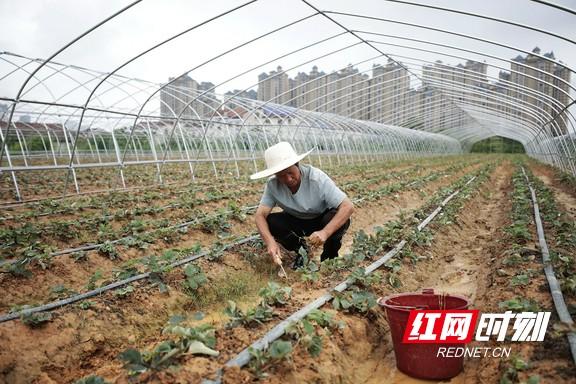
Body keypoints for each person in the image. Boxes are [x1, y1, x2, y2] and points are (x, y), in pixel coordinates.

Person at [251, 142, 354, 269]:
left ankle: (329, 258)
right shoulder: (273, 185)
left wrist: (325, 233)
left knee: (336, 220)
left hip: (322, 218)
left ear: (297, 165)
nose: (288, 179)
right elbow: (260, 215)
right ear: (275, 175)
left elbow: (347, 206)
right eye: (281, 176)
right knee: (271, 221)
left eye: (290, 172)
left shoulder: (316, 179)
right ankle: (302, 251)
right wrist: (270, 242)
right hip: (296, 220)